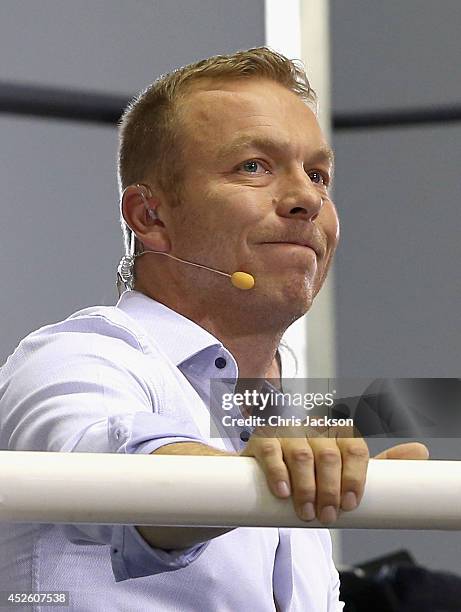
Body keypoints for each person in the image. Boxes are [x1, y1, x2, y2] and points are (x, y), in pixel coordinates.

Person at [0, 47, 428, 611]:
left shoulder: (281, 428)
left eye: (318, 175)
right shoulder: (79, 357)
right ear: (149, 216)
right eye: (253, 166)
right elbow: (115, 469)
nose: (306, 199)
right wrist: (265, 476)